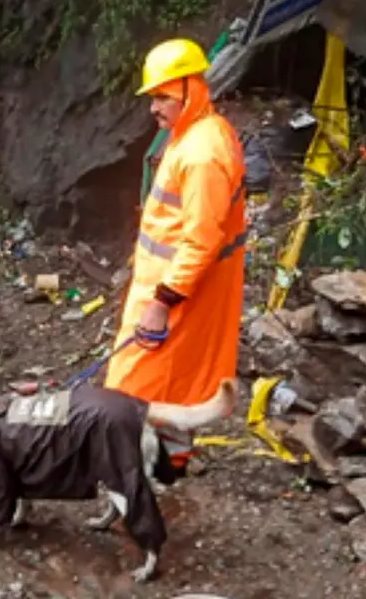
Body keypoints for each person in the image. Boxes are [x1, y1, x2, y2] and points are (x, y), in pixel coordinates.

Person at [103, 38, 248, 472]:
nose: (154, 106)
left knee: (129, 384)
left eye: (163, 95)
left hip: (177, 290)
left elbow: (201, 239)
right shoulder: (193, 135)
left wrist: (163, 302)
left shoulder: (203, 153)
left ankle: (138, 471)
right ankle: (172, 462)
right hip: (171, 283)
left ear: (192, 88)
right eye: (153, 96)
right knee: (177, 378)